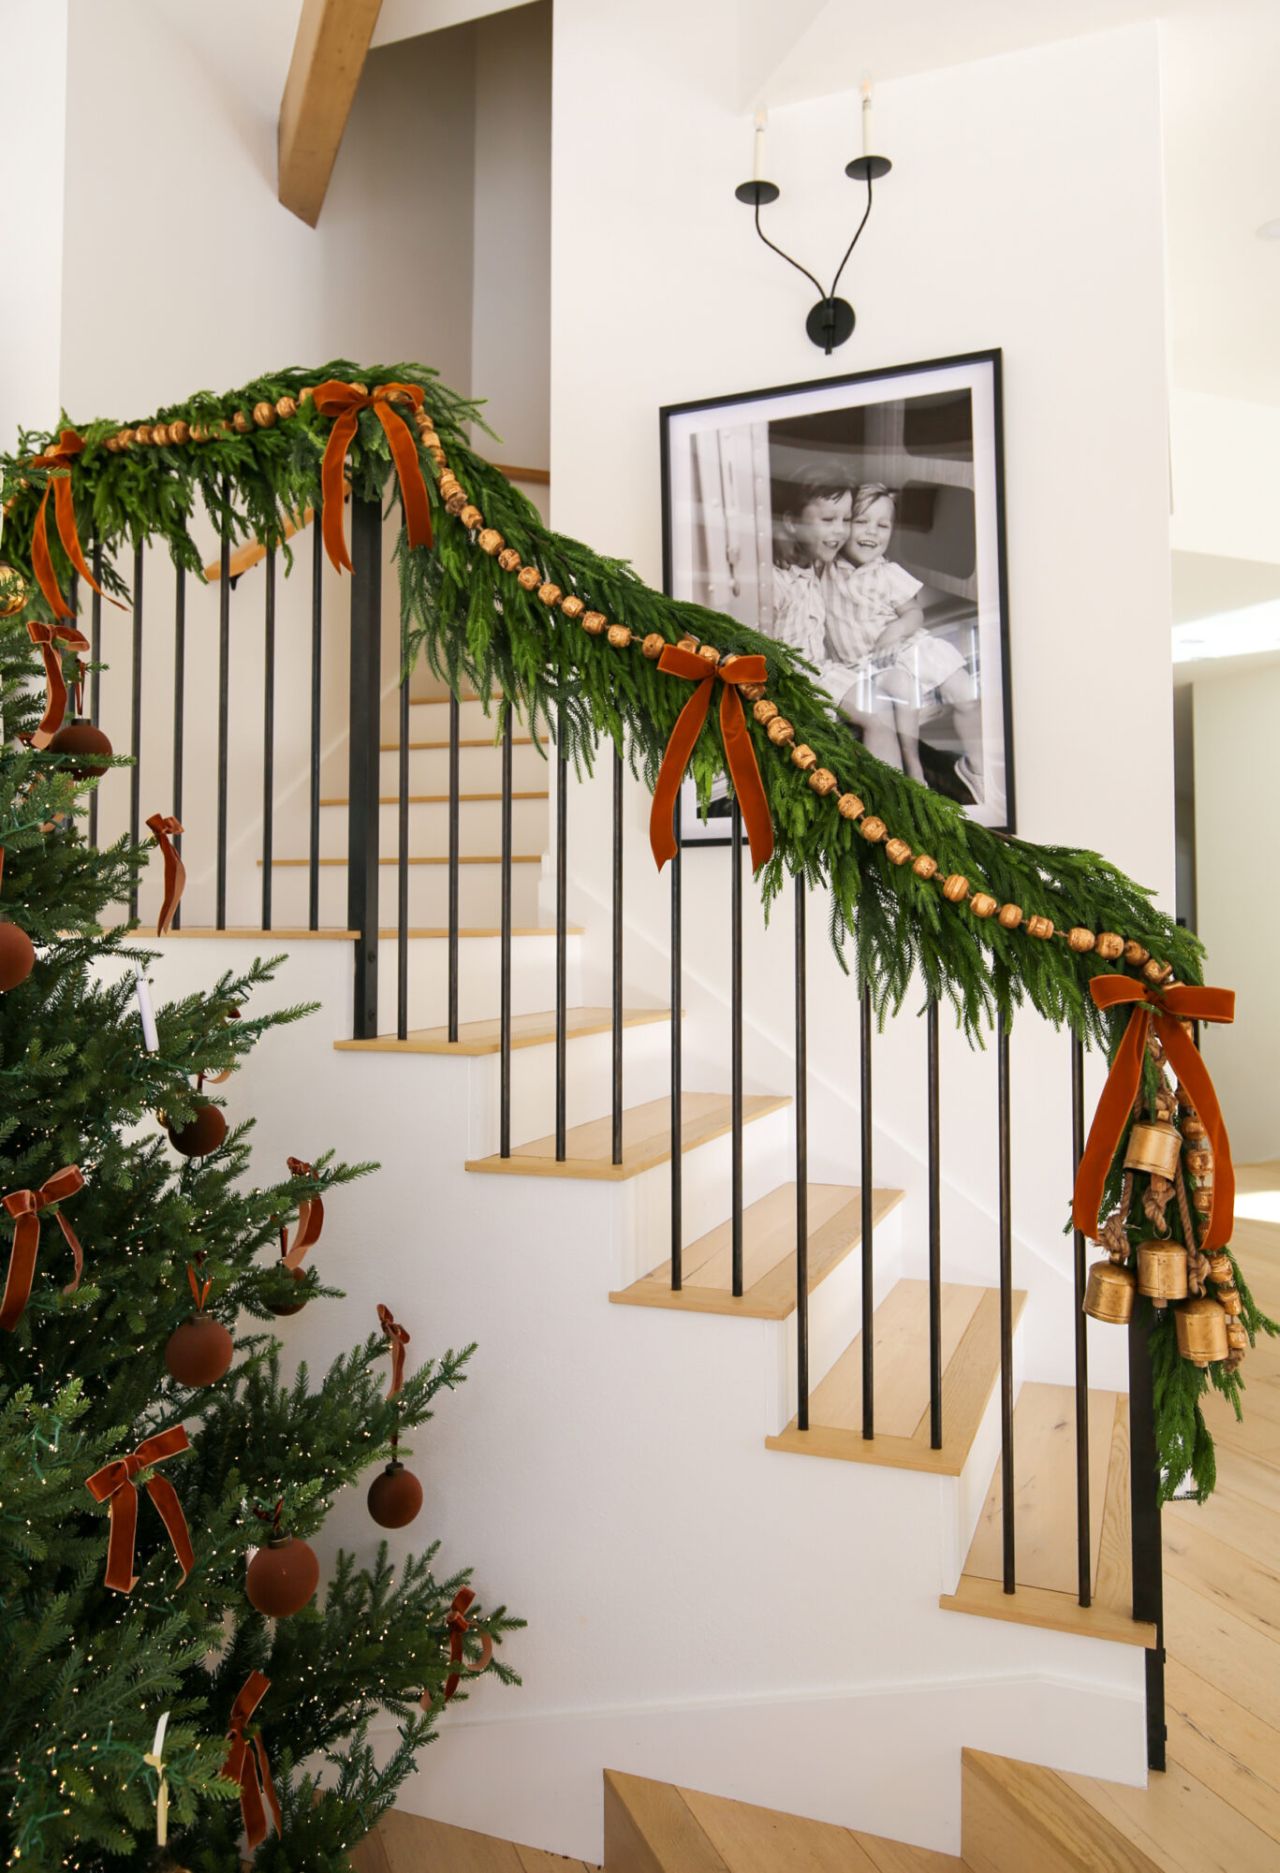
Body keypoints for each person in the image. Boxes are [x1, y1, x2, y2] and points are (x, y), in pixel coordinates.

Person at [821, 482, 984, 800]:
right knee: (902, 688)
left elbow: (913, 613)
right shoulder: (826, 569)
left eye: (883, 525)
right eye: (862, 522)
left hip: (906, 645)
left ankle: (976, 769)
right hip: (870, 662)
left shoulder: (888, 573)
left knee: (965, 692)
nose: (873, 532)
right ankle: (914, 767)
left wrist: (894, 632)